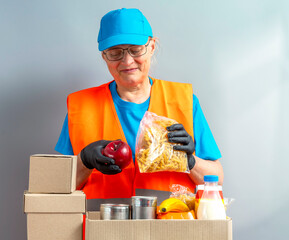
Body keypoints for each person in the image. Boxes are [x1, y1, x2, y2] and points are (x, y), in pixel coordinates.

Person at [55, 8, 223, 208]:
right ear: (104, 56)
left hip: (170, 230)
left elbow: (217, 179)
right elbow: (56, 188)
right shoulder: (82, 107)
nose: (127, 61)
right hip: (100, 230)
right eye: (115, 53)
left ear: (151, 47)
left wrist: (190, 161)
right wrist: (84, 160)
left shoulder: (184, 102)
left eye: (135, 50)